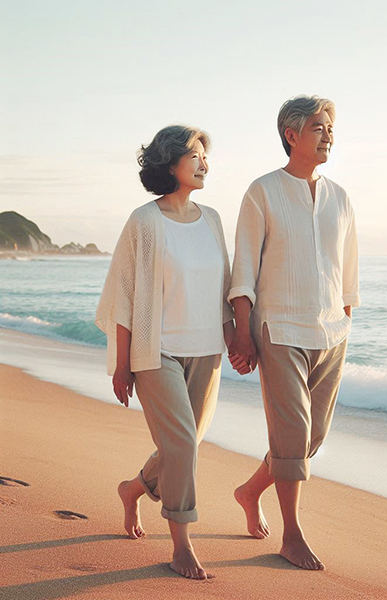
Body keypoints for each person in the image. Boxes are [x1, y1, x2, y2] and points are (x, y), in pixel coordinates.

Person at [95, 125, 248, 580]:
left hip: (207, 351)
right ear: (169, 162)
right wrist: (122, 366)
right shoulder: (144, 221)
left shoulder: (214, 219)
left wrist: (237, 336)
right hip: (155, 350)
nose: (205, 162)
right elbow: (123, 296)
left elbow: (223, 289)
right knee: (182, 444)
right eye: (196, 155)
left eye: (206, 156)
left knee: (185, 445)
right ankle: (181, 543)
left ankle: (133, 489)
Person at [227, 95, 360, 570]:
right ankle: (292, 534)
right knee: (292, 433)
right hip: (279, 328)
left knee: (309, 438)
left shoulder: (340, 197)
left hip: (331, 333)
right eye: (320, 128)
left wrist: (345, 319)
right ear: (292, 135)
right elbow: (243, 269)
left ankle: (248, 491)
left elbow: (348, 273)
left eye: (330, 128)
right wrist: (242, 334)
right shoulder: (262, 192)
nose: (329, 135)